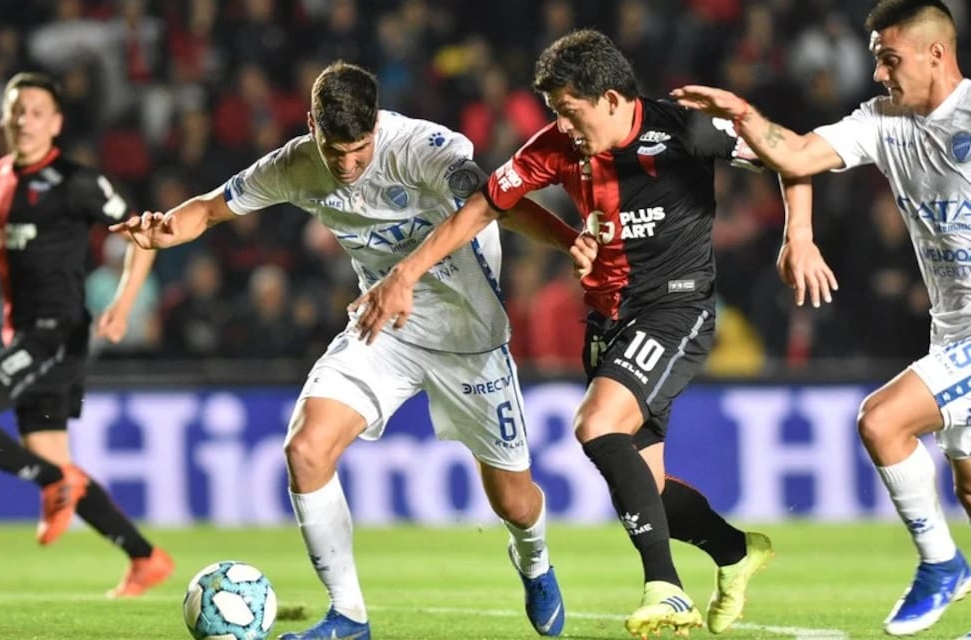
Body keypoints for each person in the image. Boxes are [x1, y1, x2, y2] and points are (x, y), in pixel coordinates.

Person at [351, 28, 820, 638]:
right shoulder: (556, 147)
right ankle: (735, 551)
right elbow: (485, 206)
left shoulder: (685, 129)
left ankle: (666, 590)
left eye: (569, 111)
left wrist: (799, 235)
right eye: (554, 112)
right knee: (645, 488)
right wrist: (407, 273)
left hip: (676, 308)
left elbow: (793, 157)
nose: (563, 125)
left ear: (611, 98)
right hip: (607, 320)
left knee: (596, 425)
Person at [113, 60, 578, 640]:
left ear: (377, 125)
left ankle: (534, 561)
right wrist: (166, 228)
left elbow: (498, 202)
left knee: (514, 502)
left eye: (360, 151)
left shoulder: (423, 149)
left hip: (469, 340)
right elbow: (208, 209)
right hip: (384, 328)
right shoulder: (296, 165)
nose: (350, 166)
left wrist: (571, 243)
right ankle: (349, 616)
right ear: (312, 127)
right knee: (306, 450)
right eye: (337, 153)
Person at [671, 0, 971, 635]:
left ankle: (942, 565)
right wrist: (748, 123)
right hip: (952, 327)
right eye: (877, 61)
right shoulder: (884, 121)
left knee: (882, 420)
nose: (880, 74)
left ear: (936, 54)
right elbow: (800, 155)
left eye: (890, 60)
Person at [0, 71, 172, 597]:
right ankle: (145, 557)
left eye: (36, 112)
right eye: (17, 110)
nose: (25, 121)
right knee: (56, 460)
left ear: (56, 123)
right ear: (4, 118)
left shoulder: (77, 181)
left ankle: (53, 483)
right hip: (20, 336)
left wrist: (122, 303)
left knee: (54, 473)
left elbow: (142, 235)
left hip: (56, 336)